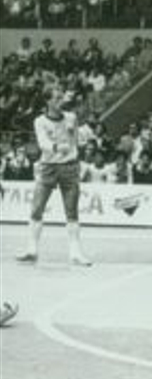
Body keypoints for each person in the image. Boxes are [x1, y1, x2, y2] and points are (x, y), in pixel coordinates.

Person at [16, 85, 92, 266]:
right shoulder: (40, 121)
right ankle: (32, 250)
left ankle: (76, 253)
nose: (60, 101)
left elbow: (77, 141)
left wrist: (78, 135)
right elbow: (43, 143)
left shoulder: (71, 117)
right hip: (48, 167)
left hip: (70, 167)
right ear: (48, 101)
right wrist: (57, 147)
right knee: (36, 208)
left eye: (61, 98)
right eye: (56, 98)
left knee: (71, 211)